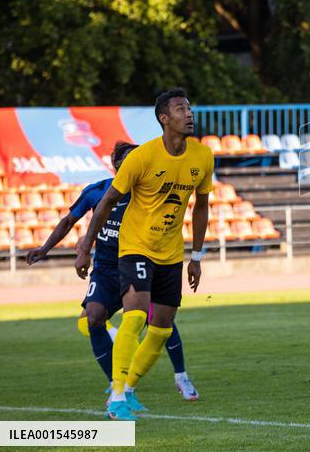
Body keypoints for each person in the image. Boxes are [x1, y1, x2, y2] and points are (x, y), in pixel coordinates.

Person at [77, 88, 213, 420]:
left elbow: (201, 206)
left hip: (171, 253)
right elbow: (106, 203)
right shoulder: (141, 157)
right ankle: (116, 398)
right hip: (136, 247)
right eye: (180, 109)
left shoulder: (203, 157)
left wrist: (196, 257)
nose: (189, 114)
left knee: (162, 329)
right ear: (164, 118)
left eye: (189, 108)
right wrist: (85, 248)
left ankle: (129, 389)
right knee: (135, 316)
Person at [26, 142, 198, 401]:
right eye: (130, 159)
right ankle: (115, 383)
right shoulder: (97, 191)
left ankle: (181, 376)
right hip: (107, 267)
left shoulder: (150, 191)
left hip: (142, 262)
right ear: (117, 165)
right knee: (93, 317)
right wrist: (45, 249)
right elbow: (69, 220)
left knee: (160, 319)